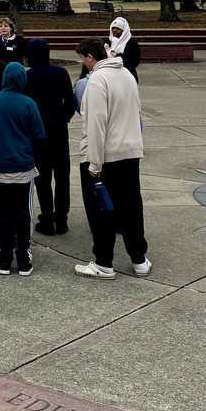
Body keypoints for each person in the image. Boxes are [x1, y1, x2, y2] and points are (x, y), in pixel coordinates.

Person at [74, 37, 151, 280]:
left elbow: (95, 125)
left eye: (82, 59)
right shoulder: (127, 74)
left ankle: (104, 262)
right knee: (131, 208)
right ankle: (139, 259)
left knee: (101, 212)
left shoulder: (97, 79)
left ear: (90, 57)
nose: (83, 64)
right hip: (130, 152)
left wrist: (94, 164)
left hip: (105, 157)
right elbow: (136, 112)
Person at [0, 63, 46, 277]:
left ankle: (4, 257)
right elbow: (40, 136)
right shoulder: (29, 103)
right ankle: (24, 258)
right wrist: (30, 153)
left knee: (2, 214)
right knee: (23, 213)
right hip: (24, 167)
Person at [25, 39, 76, 236]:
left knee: (43, 178)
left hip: (38, 133)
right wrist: (63, 118)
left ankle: (47, 219)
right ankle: (61, 219)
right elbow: (70, 102)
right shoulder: (60, 73)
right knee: (62, 177)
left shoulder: (28, 77)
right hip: (59, 131)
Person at [106, 16, 141, 82]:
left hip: (127, 76)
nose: (114, 30)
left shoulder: (131, 44)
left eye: (118, 29)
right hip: (111, 76)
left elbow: (134, 62)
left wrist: (116, 56)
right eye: (113, 28)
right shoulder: (109, 42)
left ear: (124, 31)